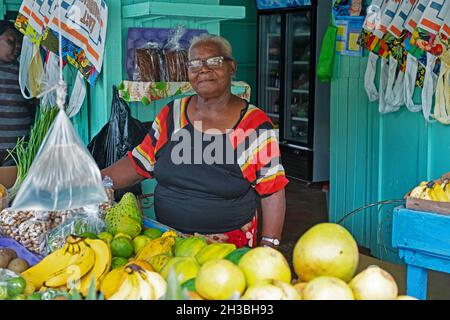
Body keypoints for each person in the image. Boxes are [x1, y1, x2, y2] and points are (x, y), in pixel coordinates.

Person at [102, 34, 289, 248]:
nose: (204, 69)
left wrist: (269, 246)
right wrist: (96, 180)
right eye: (195, 64)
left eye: (214, 61)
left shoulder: (253, 125)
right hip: (167, 240)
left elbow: (273, 190)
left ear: (232, 67)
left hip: (228, 247)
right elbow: (139, 163)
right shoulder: (171, 115)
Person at [0, 20, 34, 166]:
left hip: (18, 152)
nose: (18, 46)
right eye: (11, 41)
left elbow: (34, 102)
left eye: (19, 42)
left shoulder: (22, 72)